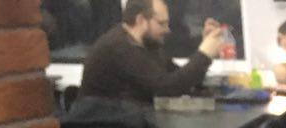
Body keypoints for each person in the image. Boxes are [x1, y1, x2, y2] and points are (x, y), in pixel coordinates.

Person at [80, 0, 222, 104]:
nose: (167, 30)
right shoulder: (119, 47)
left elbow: (179, 78)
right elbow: (166, 89)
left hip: (126, 124)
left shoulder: (148, 45)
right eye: (161, 23)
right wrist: (204, 55)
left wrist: (204, 46)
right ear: (141, 20)